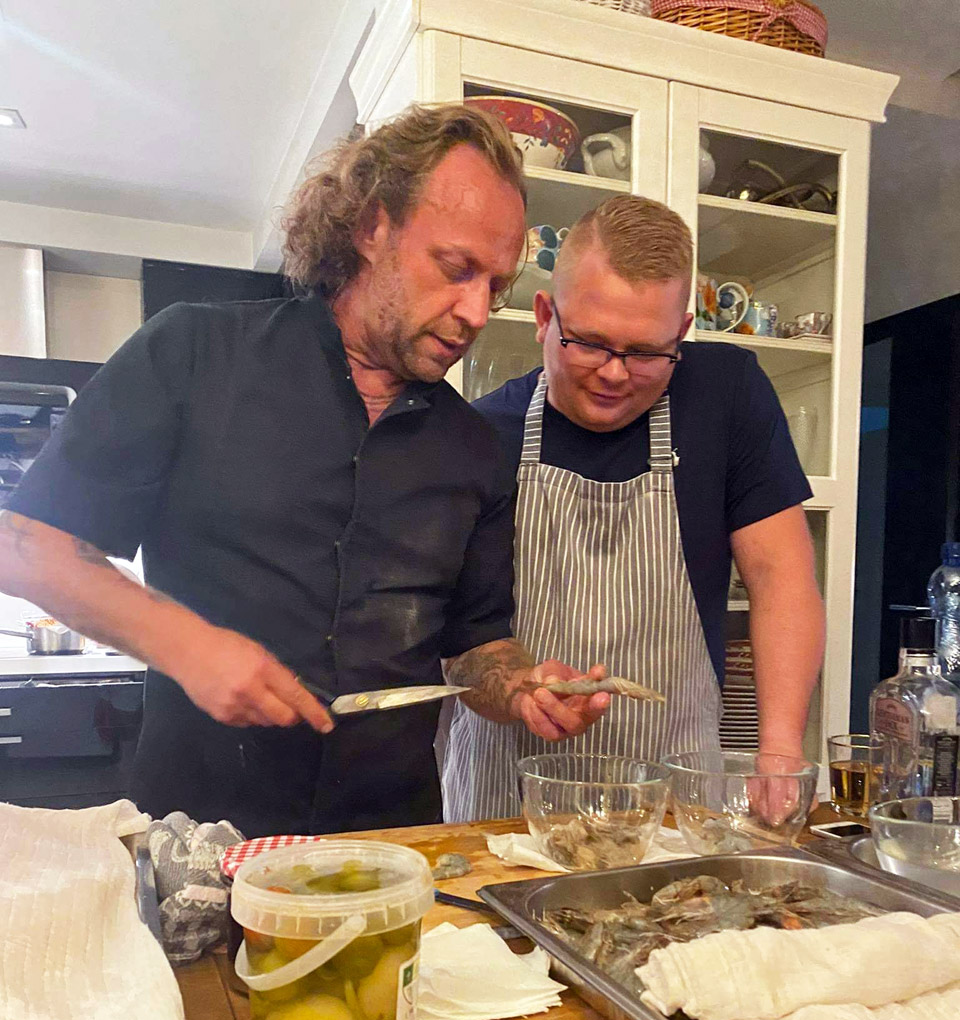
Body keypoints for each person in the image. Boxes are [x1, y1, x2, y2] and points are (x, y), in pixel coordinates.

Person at [0, 104, 608, 837]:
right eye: (456, 269)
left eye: (496, 285)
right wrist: (187, 645)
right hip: (202, 835)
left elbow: (475, 645)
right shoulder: (195, 353)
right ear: (372, 227)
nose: (476, 311)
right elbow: (26, 545)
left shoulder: (476, 447)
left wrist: (520, 688)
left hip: (394, 842)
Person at [443, 194, 824, 821]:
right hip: (507, 806)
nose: (615, 374)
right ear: (545, 316)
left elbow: (781, 576)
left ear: (682, 333)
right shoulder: (477, 436)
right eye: (589, 343)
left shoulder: (728, 396)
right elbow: (462, 646)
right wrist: (522, 692)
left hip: (674, 803)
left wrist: (780, 747)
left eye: (646, 353)